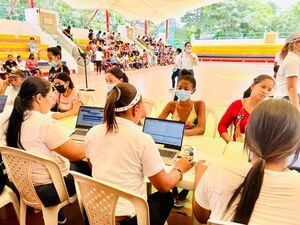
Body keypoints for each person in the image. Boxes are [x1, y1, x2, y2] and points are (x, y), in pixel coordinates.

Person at [85, 83, 194, 225]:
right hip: (129, 220)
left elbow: (92, 165)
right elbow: (164, 185)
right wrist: (179, 168)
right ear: (135, 109)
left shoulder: (93, 132)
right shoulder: (142, 139)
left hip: (98, 215)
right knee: (166, 197)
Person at [193, 99, 300, 225]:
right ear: (295, 142)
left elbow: (201, 216)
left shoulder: (217, 171)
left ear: (247, 133)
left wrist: (201, 174)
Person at [4, 76, 85, 224]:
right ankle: (91, 215)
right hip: (49, 191)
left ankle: (58, 216)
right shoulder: (44, 123)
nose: (52, 99)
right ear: (39, 98)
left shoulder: (11, 117)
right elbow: (78, 154)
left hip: (22, 185)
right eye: (50, 95)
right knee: (86, 167)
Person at [159, 75, 206, 207]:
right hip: (174, 143)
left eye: (186, 88)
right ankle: (173, 190)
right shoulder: (171, 105)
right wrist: (176, 131)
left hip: (193, 143)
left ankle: (185, 192)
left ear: (193, 90)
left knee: (193, 162)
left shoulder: (198, 104)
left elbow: (201, 129)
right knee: (168, 159)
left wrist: (177, 131)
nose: (182, 90)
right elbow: (159, 122)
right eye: (180, 88)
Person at [218, 75, 274, 143]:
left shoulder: (268, 109)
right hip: (238, 148)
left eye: (269, 90)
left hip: (258, 150)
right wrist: (230, 142)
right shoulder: (237, 105)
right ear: (253, 86)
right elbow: (222, 126)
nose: (265, 91)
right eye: (263, 87)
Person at [274, 32, 300, 111]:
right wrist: (297, 110)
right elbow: (291, 88)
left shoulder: (294, 58)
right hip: (286, 99)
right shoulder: (292, 61)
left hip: (288, 98)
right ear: (295, 44)